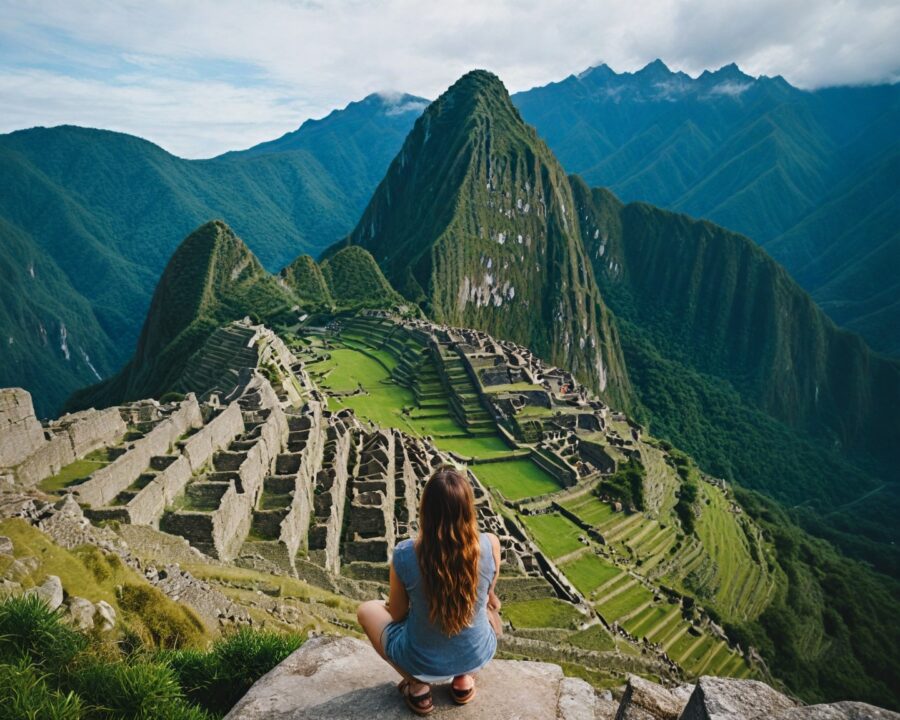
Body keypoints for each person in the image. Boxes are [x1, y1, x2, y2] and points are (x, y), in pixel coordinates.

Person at [357, 466, 502, 715]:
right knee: (486, 609)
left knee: (367, 610)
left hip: (421, 661)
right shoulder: (490, 544)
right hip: (477, 652)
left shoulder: (405, 554)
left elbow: (398, 614)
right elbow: (489, 596)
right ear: (468, 508)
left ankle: (417, 685)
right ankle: (464, 680)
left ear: (426, 509)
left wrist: (394, 604)